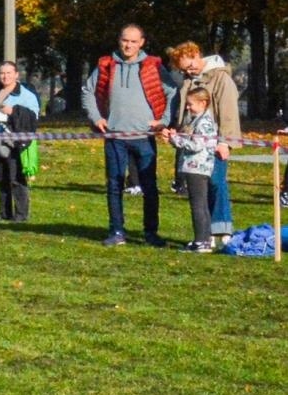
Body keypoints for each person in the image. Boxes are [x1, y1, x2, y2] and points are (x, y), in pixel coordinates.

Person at [81, 24, 173, 247]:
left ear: (142, 42)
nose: (128, 45)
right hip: (114, 137)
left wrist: (164, 121)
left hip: (144, 137)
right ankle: (117, 231)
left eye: (133, 41)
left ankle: (151, 232)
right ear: (119, 40)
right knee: (114, 185)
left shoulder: (153, 66)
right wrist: (96, 118)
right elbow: (87, 91)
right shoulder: (106, 65)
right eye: (125, 40)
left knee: (149, 187)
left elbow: (173, 93)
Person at [168, 42, 238, 243]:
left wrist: (225, 142)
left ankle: (223, 228)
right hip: (193, 143)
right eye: (183, 70)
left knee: (217, 183)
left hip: (215, 143)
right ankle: (206, 233)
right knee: (201, 189)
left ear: (196, 54)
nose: (187, 71)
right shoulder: (188, 80)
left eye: (189, 66)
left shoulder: (221, 78)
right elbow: (183, 110)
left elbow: (229, 112)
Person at [0, 61, 40, 222]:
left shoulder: (27, 95)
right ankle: (4, 213)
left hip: (15, 143)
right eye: (2, 73)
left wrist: (13, 111)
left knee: (16, 178)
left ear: (16, 75)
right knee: (1, 178)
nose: (5, 76)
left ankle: (21, 215)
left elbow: (33, 118)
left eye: (9, 73)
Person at [162, 85, 219, 253]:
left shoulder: (205, 122)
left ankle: (201, 241)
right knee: (200, 203)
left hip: (197, 168)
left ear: (203, 103)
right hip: (193, 167)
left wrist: (176, 139)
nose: (187, 107)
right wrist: (176, 138)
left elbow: (196, 145)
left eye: (190, 104)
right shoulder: (196, 119)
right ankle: (204, 240)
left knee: (198, 204)